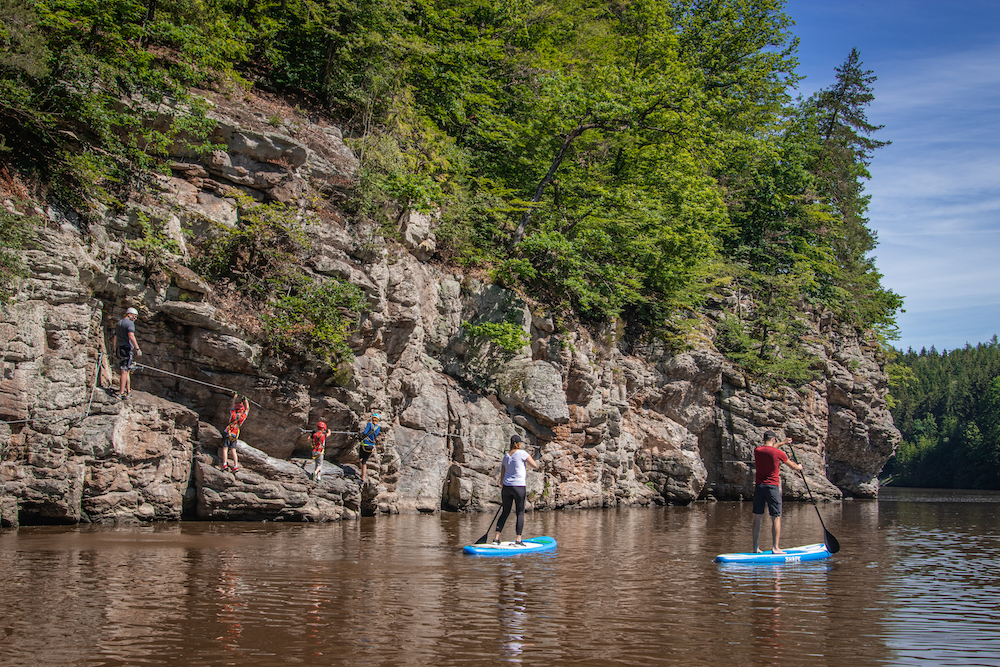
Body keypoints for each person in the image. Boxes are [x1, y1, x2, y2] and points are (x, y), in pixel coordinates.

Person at [752, 430, 803, 554]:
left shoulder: (757, 451)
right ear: (774, 439)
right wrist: (799, 467)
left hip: (759, 487)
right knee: (776, 517)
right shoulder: (779, 453)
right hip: (772, 487)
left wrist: (782, 443)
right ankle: (775, 548)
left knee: (757, 517)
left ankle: (755, 548)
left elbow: (769, 449)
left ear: (764, 439)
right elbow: (793, 466)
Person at [494, 434, 539, 546]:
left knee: (505, 512)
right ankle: (518, 540)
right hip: (519, 487)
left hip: (506, 487)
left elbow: (502, 474)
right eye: (520, 443)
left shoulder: (505, 456)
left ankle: (496, 538)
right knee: (520, 513)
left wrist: (503, 485)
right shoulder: (522, 453)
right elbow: (534, 465)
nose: (521, 444)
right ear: (517, 444)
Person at [112, 307, 142, 399]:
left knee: (127, 370)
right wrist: (137, 348)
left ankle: (128, 391)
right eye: (135, 316)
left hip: (119, 348)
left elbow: (115, 337)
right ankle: (121, 393)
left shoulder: (119, 323)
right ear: (129, 314)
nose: (135, 318)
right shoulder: (130, 323)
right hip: (126, 349)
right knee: (124, 371)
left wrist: (115, 350)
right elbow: (131, 336)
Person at [220, 392, 250, 473]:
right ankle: (235, 466)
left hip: (228, 432)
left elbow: (232, 405)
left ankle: (224, 464)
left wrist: (235, 396)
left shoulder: (233, 414)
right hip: (235, 434)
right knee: (233, 450)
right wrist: (245, 400)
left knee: (225, 448)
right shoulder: (242, 417)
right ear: (242, 410)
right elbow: (247, 409)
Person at [359, 413, 382, 484]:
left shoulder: (369, 424)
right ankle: (363, 478)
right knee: (364, 461)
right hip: (371, 446)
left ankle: (362, 476)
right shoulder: (378, 428)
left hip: (364, 444)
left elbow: (365, 432)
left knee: (361, 460)